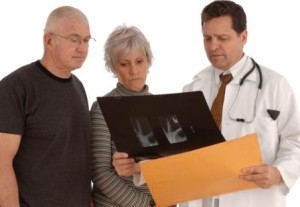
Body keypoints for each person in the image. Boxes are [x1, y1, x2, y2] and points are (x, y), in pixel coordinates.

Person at [113, 1, 300, 207]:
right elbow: (180, 155)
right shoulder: (193, 88)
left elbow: (296, 140)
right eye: (207, 38)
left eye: (222, 38)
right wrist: (139, 167)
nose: (213, 46)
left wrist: (278, 173)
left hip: (251, 199)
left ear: (243, 37)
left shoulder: (274, 85)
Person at [0, 6, 94, 207]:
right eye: (75, 39)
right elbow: (1, 163)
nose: (83, 48)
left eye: (87, 40)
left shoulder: (79, 87)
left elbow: (79, 159)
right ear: (49, 40)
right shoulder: (16, 87)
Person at [90, 25, 155, 207]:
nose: (134, 71)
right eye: (124, 64)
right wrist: (145, 204)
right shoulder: (103, 109)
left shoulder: (162, 107)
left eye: (139, 61)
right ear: (113, 67)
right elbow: (99, 172)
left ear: (148, 61)